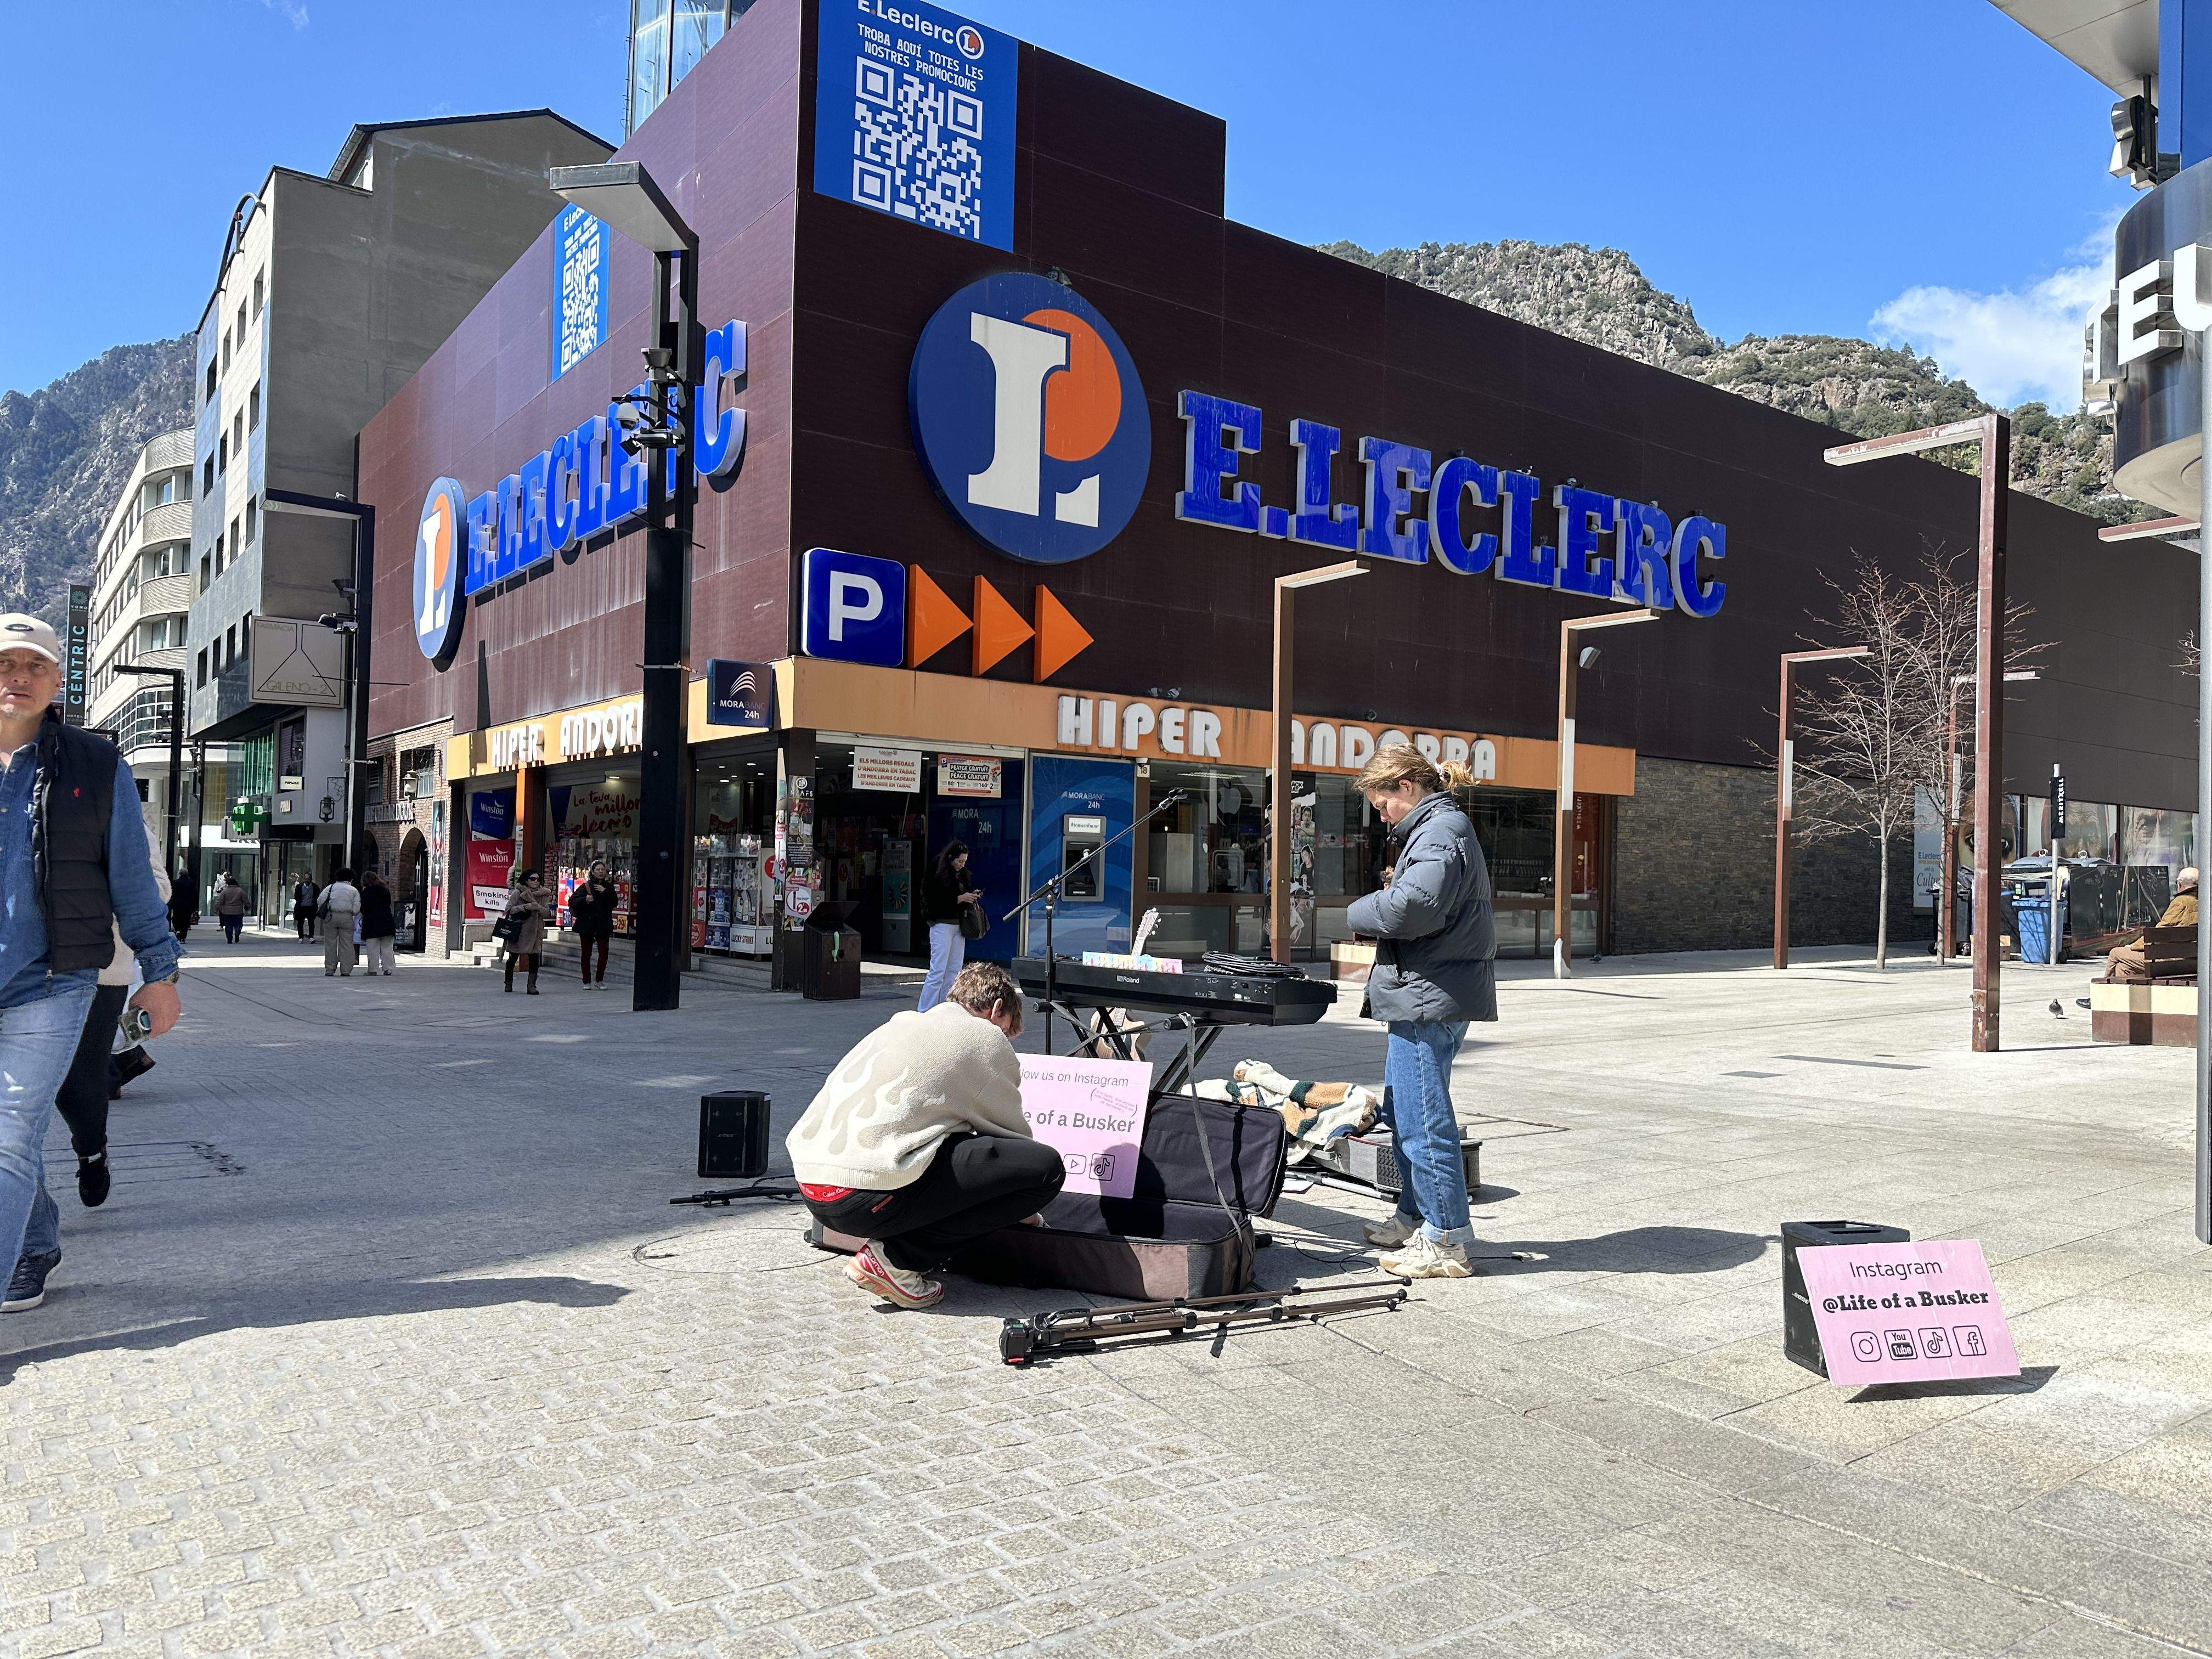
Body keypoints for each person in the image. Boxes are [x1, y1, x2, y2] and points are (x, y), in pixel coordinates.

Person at [0, 613, 181, 1313]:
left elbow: (134, 878)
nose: (18, 677)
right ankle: (37, 1239)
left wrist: (160, 973)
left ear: (57, 683)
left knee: (12, 1136)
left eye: (35, 666)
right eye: (5, 663)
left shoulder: (97, 765)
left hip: (54, 980)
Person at [789, 962, 1063, 1309]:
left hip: (814, 1189)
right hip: (864, 1196)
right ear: (996, 1010)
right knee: (1045, 1170)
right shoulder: (985, 1037)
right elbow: (1013, 1145)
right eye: (1007, 1030)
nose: (1004, 1039)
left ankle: (895, 1247)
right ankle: (897, 1261)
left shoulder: (902, 1022)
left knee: (944, 1145)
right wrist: (1031, 1213)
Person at [1345, 742, 1497, 1279]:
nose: (1382, 816)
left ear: (1406, 787)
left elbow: (1413, 908)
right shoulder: (1436, 830)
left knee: (1422, 1120)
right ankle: (1414, 1218)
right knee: (1404, 1110)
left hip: (1428, 994)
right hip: (1423, 990)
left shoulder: (1439, 832)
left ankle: (1446, 1238)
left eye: (1383, 804)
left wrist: (1357, 910)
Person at [56, 822, 173, 1210]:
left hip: (100, 971)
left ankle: (91, 1151)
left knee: (79, 1084)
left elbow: (157, 890)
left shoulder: (117, 809)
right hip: (20, 967)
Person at [917, 840, 980, 1012]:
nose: (962, 865)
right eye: (960, 861)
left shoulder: (961, 873)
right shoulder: (937, 869)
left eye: (965, 861)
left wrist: (970, 895)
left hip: (958, 925)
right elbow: (933, 900)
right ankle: (925, 1010)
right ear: (951, 858)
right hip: (941, 924)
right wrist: (960, 898)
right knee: (938, 970)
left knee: (954, 970)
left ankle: (947, 1008)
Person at [2106, 867, 2198, 983]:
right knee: (2123, 967)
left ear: (2180, 884)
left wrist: (2133, 946)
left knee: (2115, 953)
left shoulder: (2181, 902)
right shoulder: (2204, 902)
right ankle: (2124, 994)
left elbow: (2159, 934)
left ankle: (2102, 991)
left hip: (2169, 961)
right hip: (2190, 961)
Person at [502, 866, 555, 994]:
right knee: (513, 958)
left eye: (538, 879)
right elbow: (509, 910)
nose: (536, 881)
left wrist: (537, 907)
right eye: (533, 879)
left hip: (536, 931)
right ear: (526, 880)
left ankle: (532, 986)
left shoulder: (543, 894)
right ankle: (508, 982)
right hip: (519, 931)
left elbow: (547, 913)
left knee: (534, 958)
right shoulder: (518, 893)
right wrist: (525, 907)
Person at [568, 860, 618, 989]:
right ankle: (587, 981)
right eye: (598, 870)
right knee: (586, 953)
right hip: (587, 924)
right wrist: (585, 899)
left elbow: (615, 902)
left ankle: (599, 980)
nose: (601, 872)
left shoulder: (608, 887)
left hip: (603, 924)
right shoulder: (586, 886)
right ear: (592, 872)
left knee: (604, 952)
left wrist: (604, 891)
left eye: (603, 869)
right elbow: (573, 900)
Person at [318, 868, 362, 977]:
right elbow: (357, 908)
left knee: (330, 944)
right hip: (347, 917)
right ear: (351, 879)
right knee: (347, 944)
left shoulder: (330, 888)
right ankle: (346, 970)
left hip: (331, 917)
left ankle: (330, 969)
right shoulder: (354, 891)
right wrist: (352, 912)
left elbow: (320, 900)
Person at [358, 870, 396, 976]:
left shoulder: (366, 893)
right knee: (387, 948)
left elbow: (363, 909)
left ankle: (373, 970)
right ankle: (388, 969)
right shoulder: (385, 890)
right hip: (387, 922)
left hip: (372, 924)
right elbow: (388, 903)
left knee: (372, 949)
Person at [213, 872, 249, 943]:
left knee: (228, 925)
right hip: (238, 911)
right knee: (238, 924)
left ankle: (229, 938)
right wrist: (248, 906)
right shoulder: (240, 891)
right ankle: (237, 933)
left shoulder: (224, 892)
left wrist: (216, 909)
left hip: (227, 912)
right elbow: (245, 900)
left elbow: (219, 901)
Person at [168, 866, 199, 941]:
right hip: (188, 905)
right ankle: (183, 936)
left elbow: (172, 894)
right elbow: (195, 895)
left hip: (177, 904)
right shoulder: (191, 883)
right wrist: (195, 906)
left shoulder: (175, 883)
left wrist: (171, 903)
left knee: (176, 918)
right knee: (186, 920)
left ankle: (177, 930)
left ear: (180, 874)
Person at [293, 875, 319, 940]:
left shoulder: (315, 887)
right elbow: (296, 897)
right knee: (300, 922)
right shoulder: (299, 887)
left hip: (311, 908)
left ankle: (311, 937)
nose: (307, 880)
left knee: (311, 922)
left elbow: (317, 896)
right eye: (306, 879)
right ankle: (301, 937)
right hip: (301, 908)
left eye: (308, 879)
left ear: (311, 879)